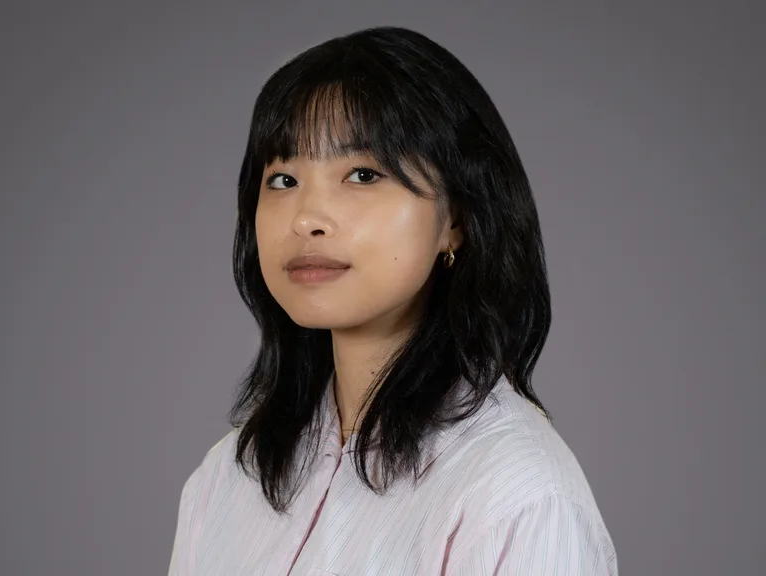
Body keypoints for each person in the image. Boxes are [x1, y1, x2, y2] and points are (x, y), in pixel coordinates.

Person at [168, 26, 618, 575]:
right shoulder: (225, 480)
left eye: (362, 174)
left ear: (456, 218)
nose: (306, 218)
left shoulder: (517, 497)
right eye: (283, 179)